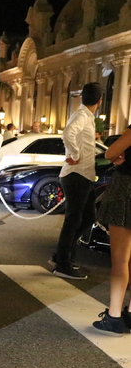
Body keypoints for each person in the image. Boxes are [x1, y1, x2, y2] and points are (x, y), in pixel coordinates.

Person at [50, 82, 102, 280]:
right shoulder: (81, 115)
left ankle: (62, 256)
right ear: (100, 101)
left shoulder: (86, 116)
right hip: (76, 174)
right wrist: (76, 153)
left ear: (82, 97)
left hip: (84, 175)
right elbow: (67, 133)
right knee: (73, 220)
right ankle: (62, 263)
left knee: (88, 218)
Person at [92, 124, 131, 334]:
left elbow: (109, 153)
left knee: (120, 258)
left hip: (127, 189)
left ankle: (114, 316)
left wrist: (119, 155)